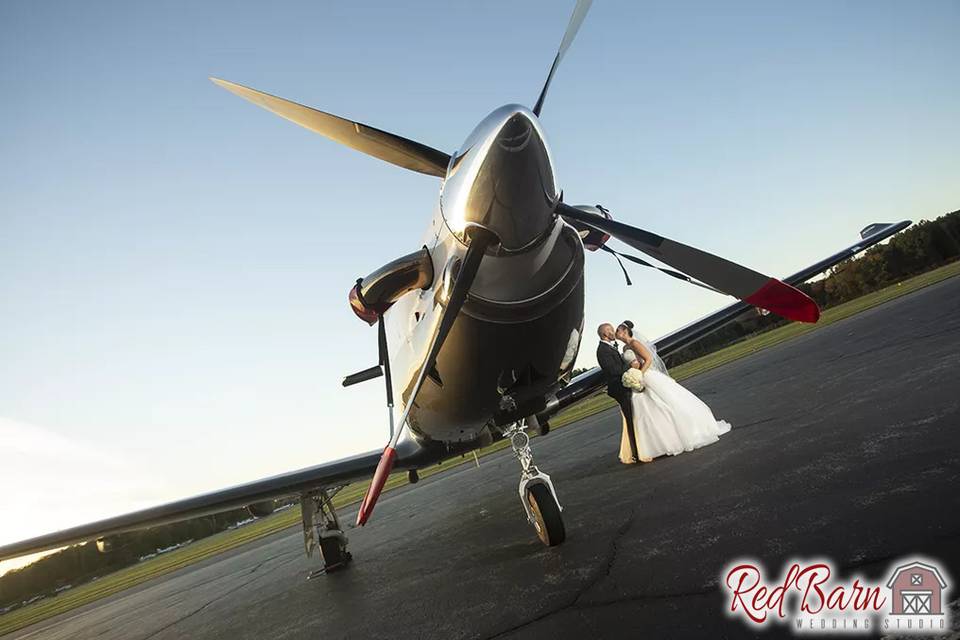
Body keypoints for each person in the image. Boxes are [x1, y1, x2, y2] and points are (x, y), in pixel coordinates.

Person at [616, 320, 731, 462]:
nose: (616, 333)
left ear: (625, 331)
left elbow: (648, 359)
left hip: (646, 376)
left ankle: (680, 436)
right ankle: (659, 442)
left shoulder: (634, 343)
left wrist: (640, 374)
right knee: (647, 411)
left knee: (665, 405)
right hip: (638, 379)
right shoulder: (624, 348)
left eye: (618, 331)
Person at [596, 323, 641, 464]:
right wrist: (630, 366)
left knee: (635, 418)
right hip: (620, 389)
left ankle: (639, 450)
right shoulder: (602, 350)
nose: (613, 331)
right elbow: (613, 370)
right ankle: (636, 454)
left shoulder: (609, 347)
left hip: (625, 386)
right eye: (610, 330)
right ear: (604, 333)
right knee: (630, 420)